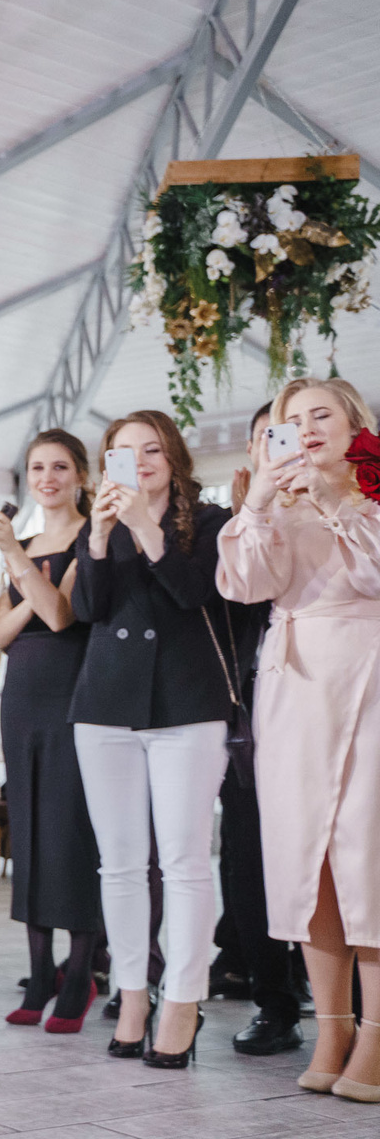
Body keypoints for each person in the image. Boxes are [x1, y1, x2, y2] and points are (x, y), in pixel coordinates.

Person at [219, 377, 380, 1100]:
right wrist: (258, 501)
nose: (306, 428)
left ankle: (377, 1034)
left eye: (322, 415)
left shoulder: (372, 491)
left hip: (369, 678)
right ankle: (332, 1028)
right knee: (307, 862)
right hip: (293, 687)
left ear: (355, 425)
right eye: (290, 420)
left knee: (365, 858)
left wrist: (335, 501)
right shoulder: (275, 501)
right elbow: (244, 585)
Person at [70, 409, 231, 1069]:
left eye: (152, 450)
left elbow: (194, 594)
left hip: (186, 704)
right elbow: (87, 610)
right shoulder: (100, 524)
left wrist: (143, 525)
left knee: (186, 861)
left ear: (174, 458)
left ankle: (183, 999)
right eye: (123, 451)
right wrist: (98, 537)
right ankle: (131, 993)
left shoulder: (213, 521)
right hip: (104, 704)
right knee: (120, 864)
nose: (138, 462)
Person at [0, 430, 101, 1032]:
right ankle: (38, 971)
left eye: (59, 467)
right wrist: (30, 577)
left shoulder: (95, 537)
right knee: (26, 831)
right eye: (37, 468)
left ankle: (79, 974)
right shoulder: (23, 545)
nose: (47, 478)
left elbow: (62, 616)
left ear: (80, 475)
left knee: (70, 832)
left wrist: (26, 575)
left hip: (73, 692)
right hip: (21, 698)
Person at [215, 402, 306, 1057]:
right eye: (266, 437)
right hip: (251, 709)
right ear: (252, 450)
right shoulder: (229, 524)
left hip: (333, 694)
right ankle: (273, 1000)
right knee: (247, 855)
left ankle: (358, 1008)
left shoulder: (353, 506)